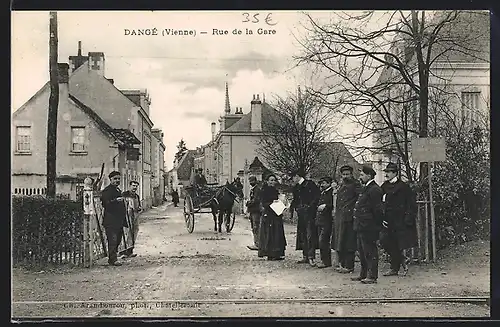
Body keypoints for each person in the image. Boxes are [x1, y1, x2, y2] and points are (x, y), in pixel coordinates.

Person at [380, 162, 418, 277]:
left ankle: (395, 268)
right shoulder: (384, 186)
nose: (386, 174)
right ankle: (402, 260)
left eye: (389, 172)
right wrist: (382, 218)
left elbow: (411, 204)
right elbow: (380, 203)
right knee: (385, 242)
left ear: (395, 173)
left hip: (400, 220)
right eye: (386, 172)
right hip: (388, 221)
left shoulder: (403, 187)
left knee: (398, 244)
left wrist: (408, 218)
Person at [351, 164, 384, 284]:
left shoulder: (374, 189)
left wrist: (376, 226)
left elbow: (378, 210)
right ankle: (363, 274)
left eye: (362, 175)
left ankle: (372, 276)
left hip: (369, 226)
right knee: (362, 251)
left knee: (370, 251)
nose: (360, 177)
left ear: (369, 175)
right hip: (361, 225)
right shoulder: (366, 188)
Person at [333, 165, 362, 274]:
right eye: (343, 174)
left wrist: (353, 210)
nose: (345, 176)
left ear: (351, 174)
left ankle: (349, 266)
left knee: (349, 241)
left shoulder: (356, 185)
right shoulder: (341, 185)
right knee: (341, 241)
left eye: (347, 174)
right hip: (340, 217)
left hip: (350, 217)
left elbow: (360, 198)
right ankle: (342, 264)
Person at [289, 169, 321, 266]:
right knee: (302, 234)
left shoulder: (310, 184)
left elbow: (317, 197)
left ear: (297, 176)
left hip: (310, 213)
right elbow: (295, 200)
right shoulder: (296, 187)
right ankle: (305, 256)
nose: (292, 179)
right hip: (301, 213)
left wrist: (310, 207)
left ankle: (311, 257)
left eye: (293, 177)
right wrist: (293, 208)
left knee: (310, 234)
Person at [101, 171, 128, 266]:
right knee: (112, 240)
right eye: (115, 179)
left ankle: (113, 257)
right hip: (111, 220)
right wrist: (115, 201)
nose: (117, 180)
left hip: (119, 220)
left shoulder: (118, 190)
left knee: (117, 240)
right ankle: (113, 259)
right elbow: (105, 204)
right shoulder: (107, 191)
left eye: (118, 179)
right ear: (110, 179)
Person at [257, 174, 287, 261]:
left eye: (274, 180)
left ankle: (277, 253)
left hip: (276, 214)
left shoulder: (275, 191)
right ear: (267, 181)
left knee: (277, 233)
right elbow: (263, 203)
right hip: (269, 214)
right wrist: (272, 203)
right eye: (271, 180)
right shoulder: (264, 191)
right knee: (270, 233)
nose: (273, 182)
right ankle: (270, 253)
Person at [315, 176, 334, 268]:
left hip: (327, 220)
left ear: (329, 183)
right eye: (321, 183)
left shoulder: (331, 193)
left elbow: (332, 205)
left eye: (324, 183)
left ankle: (326, 261)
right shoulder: (322, 192)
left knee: (323, 241)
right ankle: (324, 260)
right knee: (321, 241)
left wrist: (325, 206)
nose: (322, 185)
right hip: (320, 220)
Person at [121, 180, 142, 258]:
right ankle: (124, 251)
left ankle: (130, 251)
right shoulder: (124, 195)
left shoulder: (136, 196)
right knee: (127, 233)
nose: (135, 187)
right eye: (133, 186)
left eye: (136, 186)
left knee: (134, 232)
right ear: (129, 186)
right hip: (127, 216)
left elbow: (139, 206)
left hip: (135, 216)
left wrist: (139, 208)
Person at [246, 175, 262, 251]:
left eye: (252, 181)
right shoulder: (253, 189)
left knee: (256, 227)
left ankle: (257, 244)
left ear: (255, 181)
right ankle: (256, 243)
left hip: (256, 211)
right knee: (253, 227)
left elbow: (256, 200)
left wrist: (248, 203)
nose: (251, 182)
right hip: (252, 211)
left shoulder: (257, 189)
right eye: (250, 181)